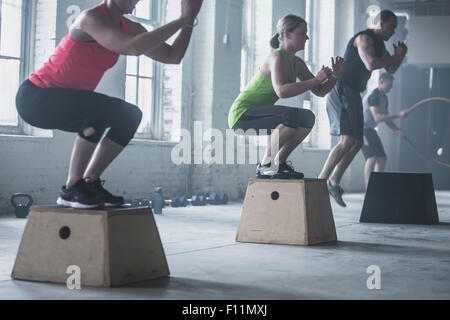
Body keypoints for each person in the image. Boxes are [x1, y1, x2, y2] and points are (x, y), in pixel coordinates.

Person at [15, 0, 203, 209]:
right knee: (100, 110)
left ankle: (89, 183)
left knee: (129, 116)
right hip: (37, 97)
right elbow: (130, 47)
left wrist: (189, 21)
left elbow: (172, 56)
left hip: (65, 100)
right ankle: (71, 187)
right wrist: (181, 19)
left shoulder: (130, 27)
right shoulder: (90, 18)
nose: (137, 1)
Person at [228, 14, 344, 179]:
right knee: (290, 117)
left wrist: (335, 76)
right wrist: (315, 79)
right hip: (242, 114)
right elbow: (281, 91)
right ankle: (266, 165)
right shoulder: (277, 57)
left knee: (307, 117)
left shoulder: (297, 63)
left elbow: (319, 91)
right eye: (302, 33)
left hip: (258, 114)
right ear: (287, 34)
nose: (307, 37)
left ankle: (279, 162)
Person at [319, 10, 407, 207]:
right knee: (348, 140)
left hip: (354, 92)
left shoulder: (380, 45)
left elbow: (391, 69)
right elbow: (371, 63)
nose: (394, 32)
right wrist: (393, 57)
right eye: (392, 26)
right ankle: (320, 182)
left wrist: (399, 57)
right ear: (381, 23)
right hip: (342, 90)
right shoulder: (364, 38)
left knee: (357, 143)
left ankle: (333, 182)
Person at [362, 73, 408, 188]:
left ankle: (377, 186)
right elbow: (377, 117)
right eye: (389, 85)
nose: (391, 87)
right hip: (362, 129)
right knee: (371, 158)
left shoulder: (384, 98)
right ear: (381, 81)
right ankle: (369, 189)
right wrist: (398, 115)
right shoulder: (374, 96)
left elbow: (386, 119)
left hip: (371, 130)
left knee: (382, 158)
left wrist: (397, 130)